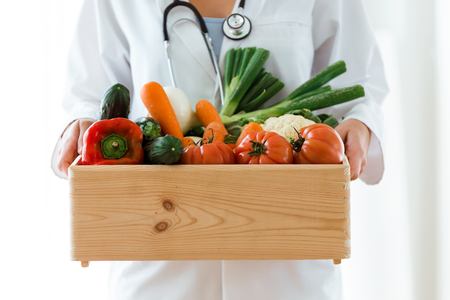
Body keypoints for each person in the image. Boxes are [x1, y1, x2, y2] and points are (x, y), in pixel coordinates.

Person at [52, 0, 388, 299]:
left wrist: (362, 123)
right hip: (157, 267)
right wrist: (79, 122)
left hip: (288, 269)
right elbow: (89, 91)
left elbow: (361, 83)